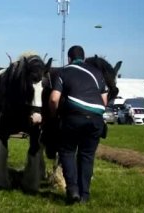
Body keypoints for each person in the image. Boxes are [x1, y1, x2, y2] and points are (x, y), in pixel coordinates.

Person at [48, 45, 108, 204]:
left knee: (67, 152)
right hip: (96, 118)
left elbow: (54, 99)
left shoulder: (64, 71)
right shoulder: (97, 73)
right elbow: (104, 100)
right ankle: (85, 196)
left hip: (73, 117)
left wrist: (54, 116)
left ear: (69, 58)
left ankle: (73, 190)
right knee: (87, 156)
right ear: (83, 56)